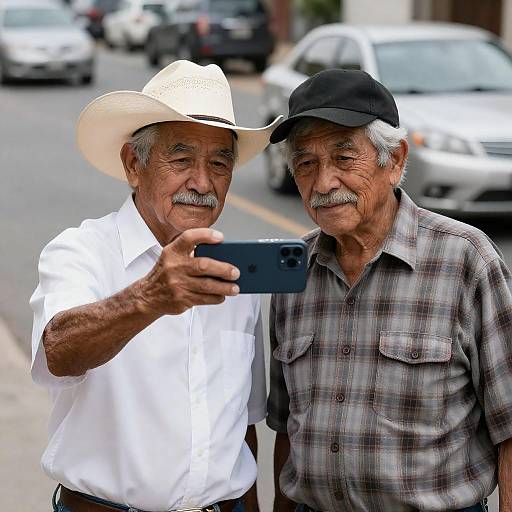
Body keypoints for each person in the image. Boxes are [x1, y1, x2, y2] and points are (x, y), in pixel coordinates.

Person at [30, 60, 280, 512]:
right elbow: (58, 352)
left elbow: (240, 430)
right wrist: (150, 296)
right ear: (133, 164)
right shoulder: (80, 252)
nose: (202, 182)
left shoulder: (234, 273)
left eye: (219, 163)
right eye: (181, 158)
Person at [266, 68, 512, 512]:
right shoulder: (292, 271)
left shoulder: (466, 260)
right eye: (306, 163)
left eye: (344, 158)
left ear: (394, 161)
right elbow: (288, 432)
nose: (323, 184)